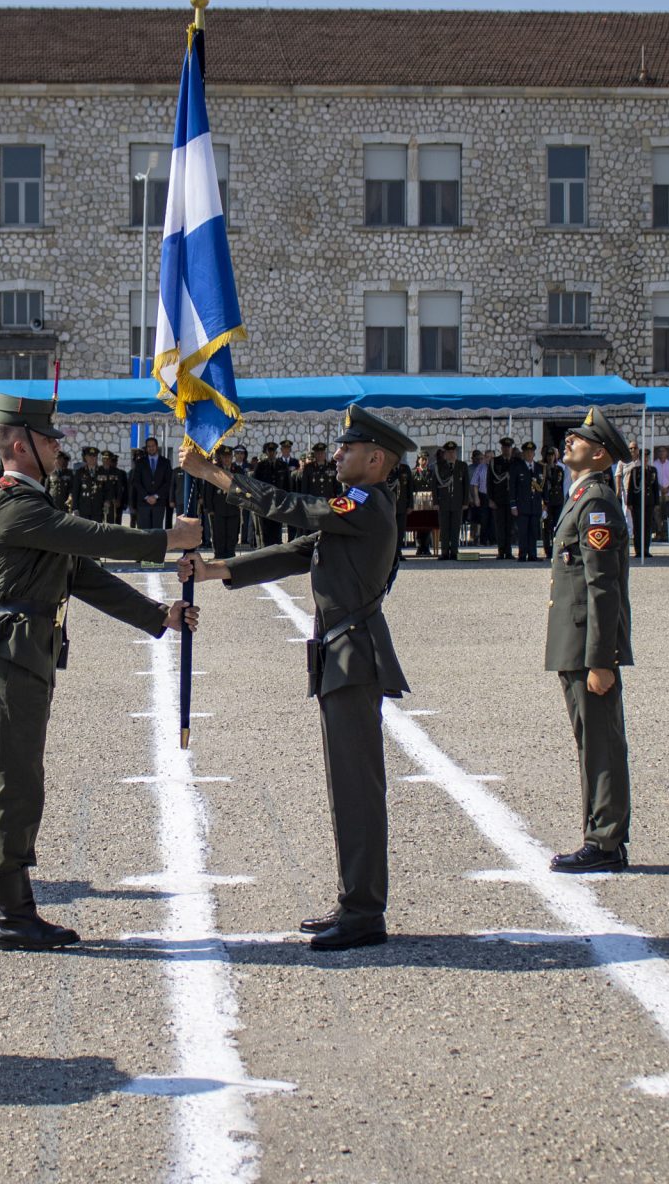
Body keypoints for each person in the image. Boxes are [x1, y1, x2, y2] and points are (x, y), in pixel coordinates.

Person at [0, 395, 199, 949]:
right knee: (14, 788)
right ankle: (13, 916)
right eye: (49, 441)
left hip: (25, 654)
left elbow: (83, 574)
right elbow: (95, 537)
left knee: (8, 784)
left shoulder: (34, 505)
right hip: (14, 655)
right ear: (22, 445)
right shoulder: (18, 504)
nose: (58, 449)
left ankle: (5, 911)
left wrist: (158, 616)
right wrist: (168, 541)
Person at [179, 406, 415, 950]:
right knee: (346, 786)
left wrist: (216, 476)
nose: (335, 455)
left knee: (356, 787)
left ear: (374, 458)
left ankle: (363, 912)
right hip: (342, 654)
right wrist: (219, 570)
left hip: (354, 656)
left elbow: (295, 511)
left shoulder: (365, 501)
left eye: (346, 448)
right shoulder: (356, 510)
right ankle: (353, 900)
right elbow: (301, 551)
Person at [546, 407, 633, 873]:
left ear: (599, 452)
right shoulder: (582, 497)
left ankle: (605, 841)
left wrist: (602, 658)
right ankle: (599, 835)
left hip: (588, 645)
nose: (568, 443)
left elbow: (603, 586)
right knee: (592, 740)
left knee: (600, 742)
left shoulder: (596, 502)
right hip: (576, 640)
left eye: (577, 439)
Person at [429, 441, 465, 560]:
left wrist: (465, 502)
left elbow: (466, 485)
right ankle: (444, 551)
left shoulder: (462, 466)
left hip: (457, 502)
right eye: (448, 452)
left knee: (455, 527)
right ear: (445, 454)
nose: (451, 454)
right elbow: (434, 485)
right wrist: (435, 502)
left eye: (453, 452)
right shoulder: (439, 466)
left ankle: (454, 551)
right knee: (444, 528)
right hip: (443, 502)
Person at [251, 441, 288, 547]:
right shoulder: (261, 466)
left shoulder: (282, 466)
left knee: (277, 530)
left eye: (273, 451)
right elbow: (255, 485)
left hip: (278, 503)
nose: (271, 454)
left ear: (276, 452)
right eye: (269, 451)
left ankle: (276, 553)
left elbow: (287, 486)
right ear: (266, 453)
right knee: (265, 532)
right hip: (264, 504)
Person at [487, 438, 517, 559]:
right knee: (499, 526)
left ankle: (508, 551)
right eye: (504, 447)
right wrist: (490, 499)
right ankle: (501, 551)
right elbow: (489, 482)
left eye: (508, 447)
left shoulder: (516, 461)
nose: (506, 449)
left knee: (510, 527)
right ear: (502, 448)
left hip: (512, 500)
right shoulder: (495, 462)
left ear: (511, 448)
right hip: (498, 499)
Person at [515, 441, 544, 561]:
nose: (529, 454)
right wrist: (513, 505)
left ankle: (533, 554)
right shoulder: (518, 467)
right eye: (527, 452)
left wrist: (544, 503)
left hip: (535, 505)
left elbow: (543, 487)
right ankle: (522, 554)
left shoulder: (539, 468)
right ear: (523, 453)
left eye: (531, 452)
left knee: (533, 531)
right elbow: (513, 487)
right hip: (522, 505)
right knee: (523, 531)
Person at [540, 445, 566, 559]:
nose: (550, 458)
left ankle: (557, 548)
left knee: (557, 526)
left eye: (552, 455)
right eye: (548, 455)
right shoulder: (542, 468)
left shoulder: (559, 469)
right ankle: (548, 549)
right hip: (547, 501)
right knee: (547, 527)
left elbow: (560, 483)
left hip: (557, 500)